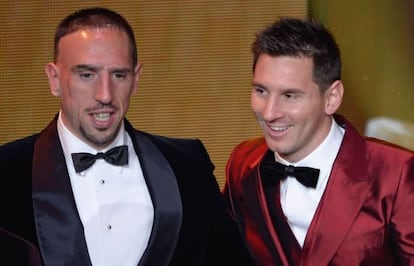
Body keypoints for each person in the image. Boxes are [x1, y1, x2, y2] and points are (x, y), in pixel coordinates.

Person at [0, 7, 253, 266]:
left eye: (119, 75)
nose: (105, 95)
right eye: (87, 75)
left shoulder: (187, 165)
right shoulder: (7, 171)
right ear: (54, 79)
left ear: (136, 79)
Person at [223, 17, 414, 265]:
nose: (269, 112)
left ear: (331, 98)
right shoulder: (243, 163)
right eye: (261, 91)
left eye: (289, 95)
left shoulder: (398, 173)